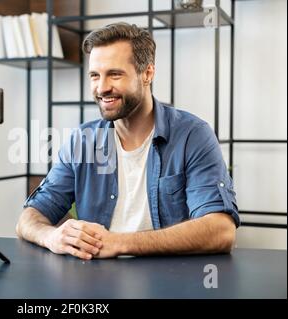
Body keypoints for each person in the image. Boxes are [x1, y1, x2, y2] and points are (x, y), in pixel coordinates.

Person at [16, 22, 239, 260]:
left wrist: (120, 243)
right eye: (94, 75)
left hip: (171, 283)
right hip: (97, 284)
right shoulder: (82, 141)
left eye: (114, 74)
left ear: (147, 74)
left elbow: (220, 231)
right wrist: (51, 236)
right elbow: (29, 219)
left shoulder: (192, 136)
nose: (101, 88)